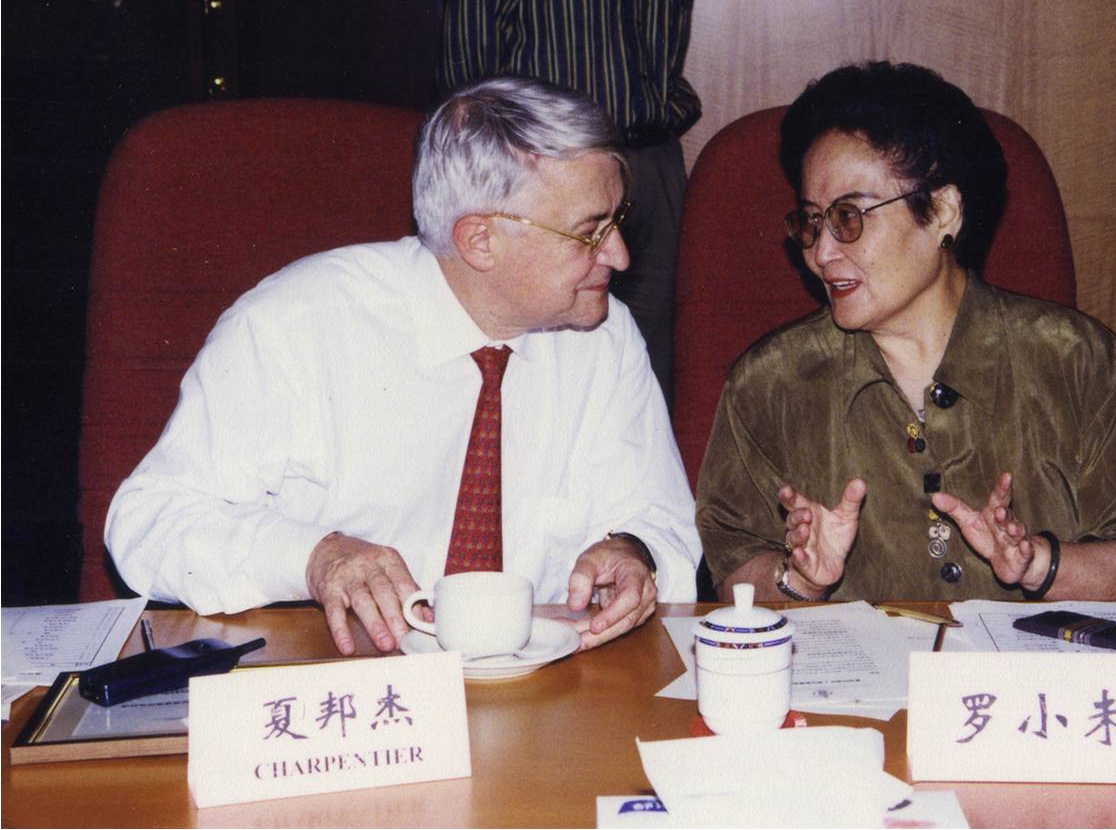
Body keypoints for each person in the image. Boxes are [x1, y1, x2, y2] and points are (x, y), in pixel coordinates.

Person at [105, 76, 701, 655]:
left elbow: (660, 516)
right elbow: (147, 523)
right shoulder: (296, 326)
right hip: (341, 678)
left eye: (617, 221)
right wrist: (312, 557)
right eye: (590, 233)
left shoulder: (604, 338)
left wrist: (634, 551)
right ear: (479, 240)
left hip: (542, 684)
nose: (619, 255)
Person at [696, 62, 1116, 604]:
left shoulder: (1077, 360)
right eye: (812, 222)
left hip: (1026, 662)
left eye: (849, 217)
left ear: (942, 212)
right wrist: (800, 578)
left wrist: (1037, 564)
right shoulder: (770, 382)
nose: (822, 252)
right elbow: (732, 564)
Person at [439, 0, 706, 405]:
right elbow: (467, 71)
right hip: (551, 175)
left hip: (652, 162)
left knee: (651, 364)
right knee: (542, 356)